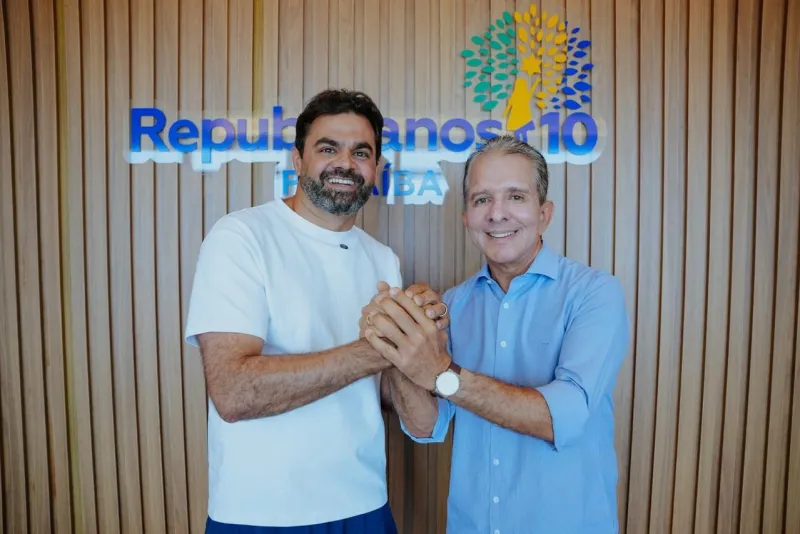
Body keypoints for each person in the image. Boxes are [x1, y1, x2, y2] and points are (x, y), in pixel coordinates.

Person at [184, 88, 448, 534]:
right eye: (328, 148)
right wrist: (377, 349)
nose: (345, 163)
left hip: (366, 504)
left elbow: (398, 405)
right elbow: (233, 392)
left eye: (361, 152)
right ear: (298, 159)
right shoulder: (241, 237)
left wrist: (416, 341)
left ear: (376, 168)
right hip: (261, 514)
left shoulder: (382, 259)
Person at [361, 134, 631, 534]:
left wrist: (442, 374)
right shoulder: (454, 304)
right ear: (466, 218)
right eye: (482, 199)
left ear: (544, 213)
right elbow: (424, 426)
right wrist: (399, 342)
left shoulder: (594, 293)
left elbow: (563, 418)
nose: (497, 214)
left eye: (516, 197)